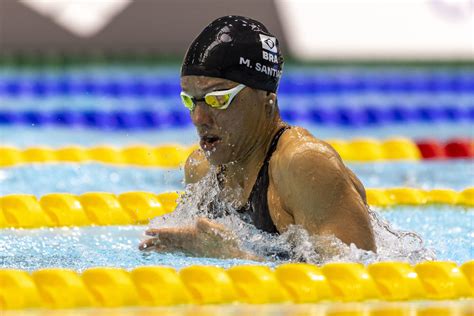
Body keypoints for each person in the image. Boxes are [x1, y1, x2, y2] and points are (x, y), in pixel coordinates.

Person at [139, 15, 376, 259]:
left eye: (218, 99)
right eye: (190, 101)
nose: (198, 118)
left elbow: (358, 280)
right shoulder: (202, 171)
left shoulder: (304, 166)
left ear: (266, 99)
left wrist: (235, 257)